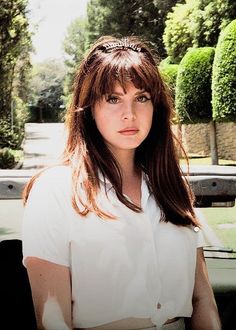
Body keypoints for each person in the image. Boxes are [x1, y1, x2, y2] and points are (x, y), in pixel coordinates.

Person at [22, 35, 221, 330]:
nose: (129, 113)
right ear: (89, 107)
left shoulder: (170, 185)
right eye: (113, 99)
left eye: (141, 98)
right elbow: (53, 319)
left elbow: (202, 299)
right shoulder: (55, 190)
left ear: (156, 107)